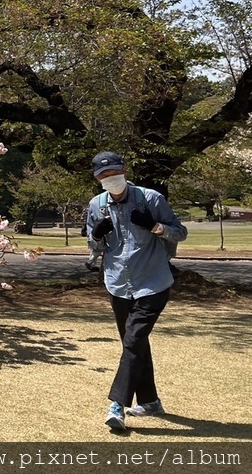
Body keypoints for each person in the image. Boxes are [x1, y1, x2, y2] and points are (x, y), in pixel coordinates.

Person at [86, 151, 188, 431]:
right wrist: (96, 234)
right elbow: (93, 246)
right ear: (97, 179)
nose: (111, 179)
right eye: (105, 176)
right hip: (118, 284)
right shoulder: (96, 205)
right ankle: (150, 400)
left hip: (153, 282)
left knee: (132, 341)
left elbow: (180, 232)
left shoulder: (151, 198)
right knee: (135, 343)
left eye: (115, 173)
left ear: (125, 170)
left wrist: (155, 226)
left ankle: (117, 406)